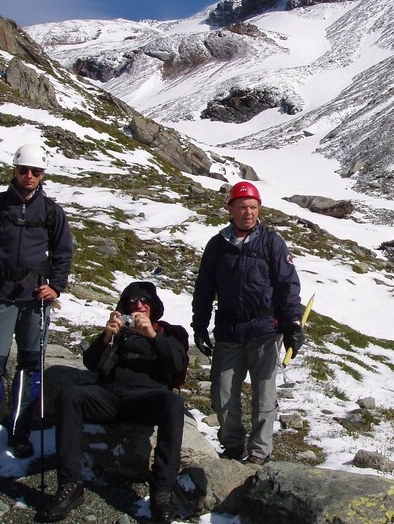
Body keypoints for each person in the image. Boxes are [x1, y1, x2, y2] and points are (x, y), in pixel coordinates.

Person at [37, 281, 189, 523]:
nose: (139, 306)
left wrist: (151, 334)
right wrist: (107, 336)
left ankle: (161, 491)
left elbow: (177, 364)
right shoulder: (120, 332)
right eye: (132, 301)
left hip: (146, 398)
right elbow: (91, 363)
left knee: (172, 403)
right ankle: (70, 484)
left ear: (154, 306)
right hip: (108, 396)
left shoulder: (170, 332)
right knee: (70, 396)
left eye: (145, 301)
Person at [0, 143, 73, 467]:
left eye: (35, 172)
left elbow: (63, 253)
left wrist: (56, 286)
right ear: (14, 170)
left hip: (34, 298)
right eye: (24, 170)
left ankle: (20, 431)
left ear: (42, 175)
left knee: (29, 364)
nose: (29, 176)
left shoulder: (51, 212)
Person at [192, 180, 305, 465]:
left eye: (253, 207)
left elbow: (288, 284)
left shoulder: (271, 242)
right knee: (223, 392)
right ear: (230, 209)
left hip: (265, 330)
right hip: (229, 330)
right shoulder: (217, 245)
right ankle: (232, 446)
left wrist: (292, 324)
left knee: (264, 396)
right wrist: (199, 324)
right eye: (242, 207)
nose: (248, 213)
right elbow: (204, 289)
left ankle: (258, 452)